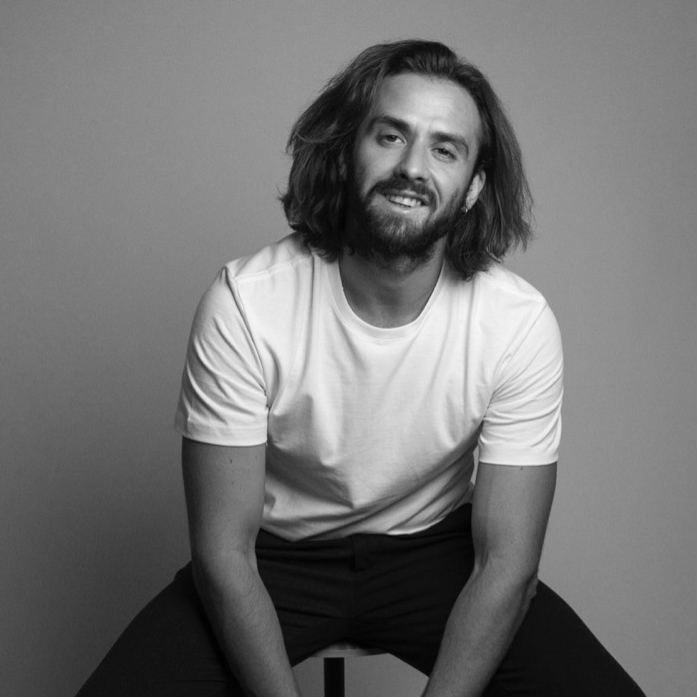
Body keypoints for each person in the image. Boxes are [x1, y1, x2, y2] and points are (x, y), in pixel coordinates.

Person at [77, 39, 646, 697]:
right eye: (390, 136)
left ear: (473, 187)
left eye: (445, 149)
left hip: (434, 555)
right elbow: (224, 553)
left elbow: (504, 564)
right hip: (275, 557)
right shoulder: (246, 303)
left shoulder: (516, 322)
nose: (412, 167)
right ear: (349, 150)